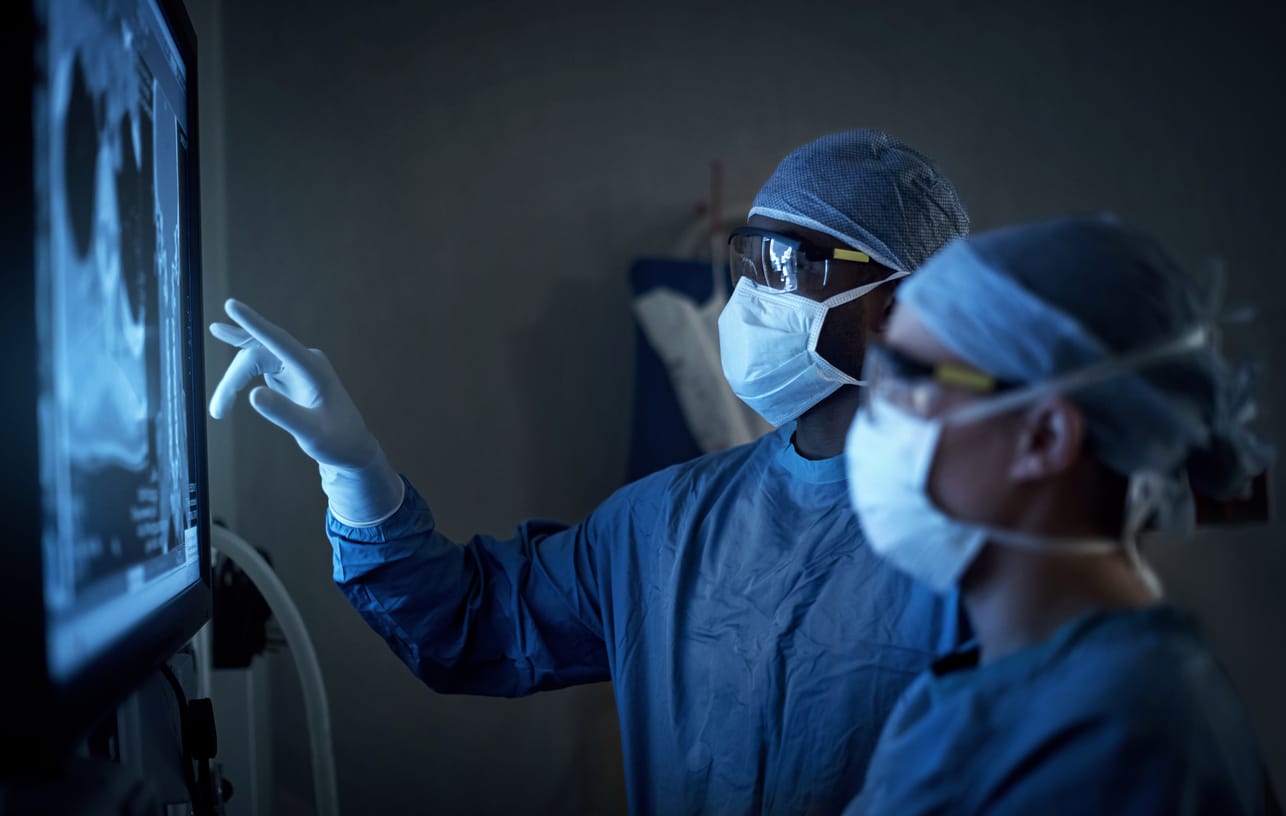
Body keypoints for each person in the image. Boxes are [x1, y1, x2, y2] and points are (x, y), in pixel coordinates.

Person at [208, 130, 971, 814]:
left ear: (896, 308)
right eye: (748, 260)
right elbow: (469, 624)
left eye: (787, 266)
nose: (751, 299)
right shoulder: (669, 522)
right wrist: (356, 474)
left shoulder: (988, 545)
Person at [842, 215, 1273, 814]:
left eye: (908, 382)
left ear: (1043, 437)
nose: (877, 417)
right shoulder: (994, 680)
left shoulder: (1120, 737)